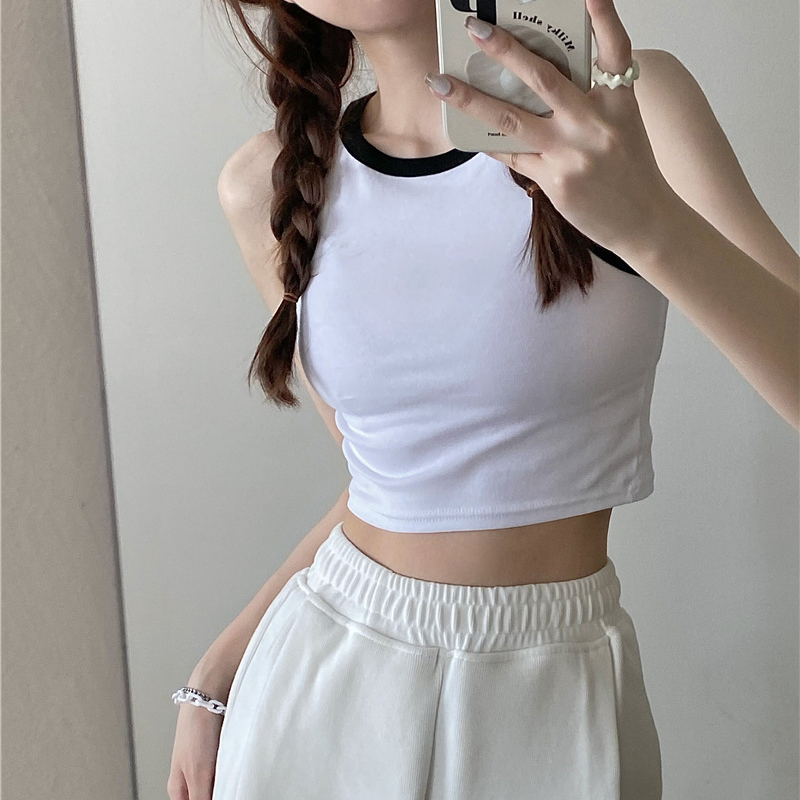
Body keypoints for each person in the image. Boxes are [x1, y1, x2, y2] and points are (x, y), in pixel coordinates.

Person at [168, 1, 800, 798]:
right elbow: (388, 488)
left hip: (558, 697)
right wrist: (219, 669)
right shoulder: (267, 184)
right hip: (320, 689)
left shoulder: (627, 102)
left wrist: (650, 228)